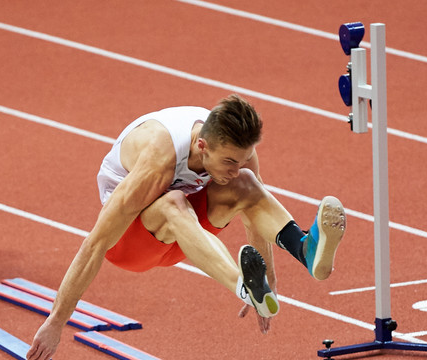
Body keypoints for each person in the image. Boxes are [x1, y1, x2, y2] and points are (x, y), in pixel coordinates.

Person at [26, 95, 347, 359]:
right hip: (131, 243)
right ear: (203, 146)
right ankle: (240, 284)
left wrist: (267, 282)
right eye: (229, 163)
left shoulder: (239, 154)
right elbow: (95, 244)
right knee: (172, 201)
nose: (235, 169)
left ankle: (305, 248)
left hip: (189, 236)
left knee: (249, 185)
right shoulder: (158, 160)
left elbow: (254, 214)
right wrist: (56, 321)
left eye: (243, 158)